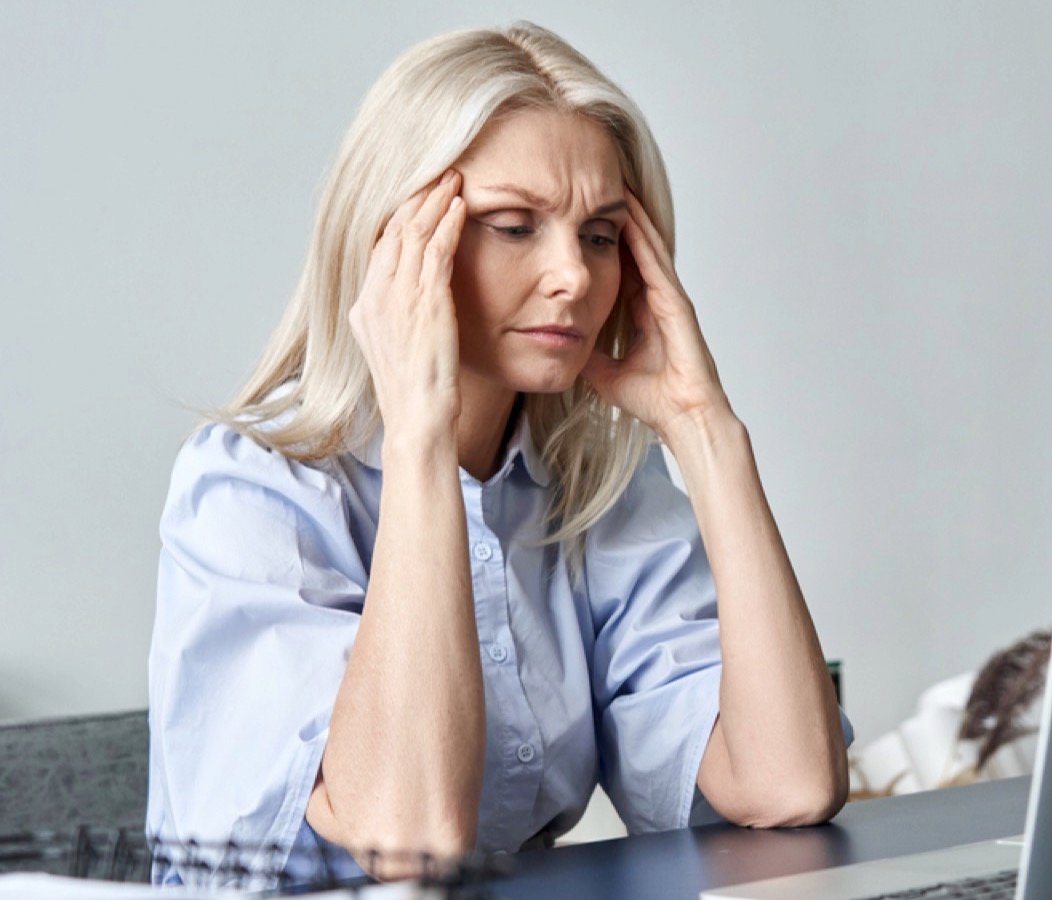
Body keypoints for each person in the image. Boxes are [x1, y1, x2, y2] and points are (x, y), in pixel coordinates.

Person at [146, 20, 851, 888]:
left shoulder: (598, 485)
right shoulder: (250, 487)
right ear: (393, 243)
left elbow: (787, 784)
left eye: (599, 235)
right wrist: (419, 437)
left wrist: (707, 433)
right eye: (514, 226)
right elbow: (408, 838)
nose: (575, 278)